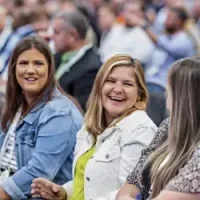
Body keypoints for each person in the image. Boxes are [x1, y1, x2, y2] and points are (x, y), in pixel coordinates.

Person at [31, 54, 157, 200]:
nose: (117, 89)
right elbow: (93, 181)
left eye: (127, 84)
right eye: (111, 81)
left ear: (139, 93)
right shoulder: (90, 126)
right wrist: (64, 192)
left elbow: (131, 193)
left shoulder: (141, 129)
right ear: (99, 86)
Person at [0, 35, 83, 200]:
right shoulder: (17, 104)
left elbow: (38, 172)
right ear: (14, 68)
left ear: (50, 69)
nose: (30, 70)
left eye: (38, 63)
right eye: (24, 63)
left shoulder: (60, 113)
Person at [117, 57, 200, 200]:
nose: (165, 93)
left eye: (168, 88)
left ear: (181, 96)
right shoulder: (167, 126)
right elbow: (131, 183)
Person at [52, 11, 102, 110]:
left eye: (56, 32)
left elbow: (81, 108)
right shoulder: (57, 56)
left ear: (72, 35)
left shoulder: (92, 68)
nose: (51, 36)